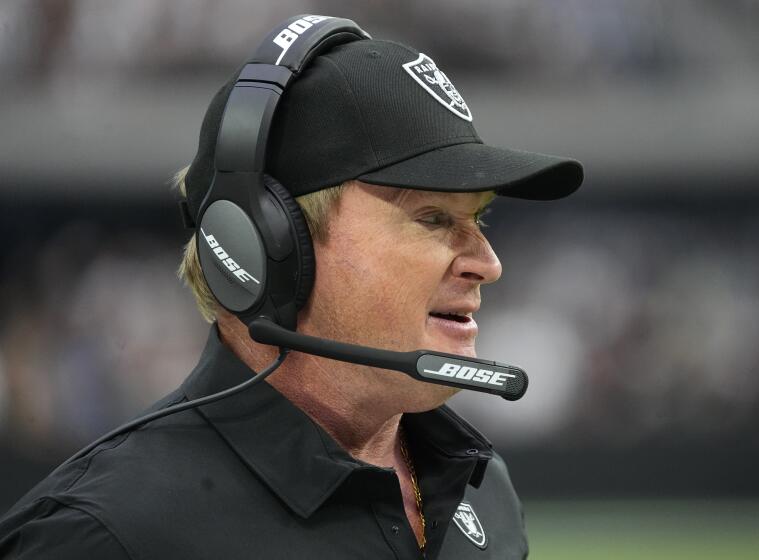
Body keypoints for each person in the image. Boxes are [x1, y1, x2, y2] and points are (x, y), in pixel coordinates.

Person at [0, 15, 582, 559]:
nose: (487, 262)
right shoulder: (105, 533)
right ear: (268, 247)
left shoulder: (480, 491)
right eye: (432, 218)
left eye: (477, 219)